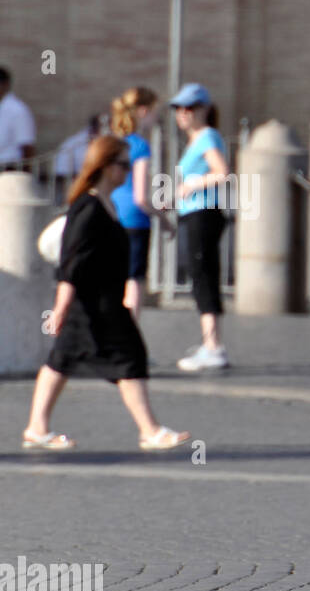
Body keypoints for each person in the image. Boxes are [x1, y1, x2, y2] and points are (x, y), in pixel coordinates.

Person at [21, 136, 190, 451]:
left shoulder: (105, 203)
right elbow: (72, 262)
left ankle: (36, 427)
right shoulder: (88, 206)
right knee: (127, 358)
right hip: (92, 304)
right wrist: (60, 307)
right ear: (106, 166)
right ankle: (149, 430)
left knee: (62, 360)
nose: (127, 171)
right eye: (123, 165)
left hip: (103, 301)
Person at [170, 83, 231, 371]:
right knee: (199, 274)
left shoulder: (207, 137)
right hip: (194, 212)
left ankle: (213, 345)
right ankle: (210, 342)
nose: (183, 114)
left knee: (203, 275)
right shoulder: (197, 140)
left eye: (189, 108)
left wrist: (194, 184)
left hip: (202, 213)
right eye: (179, 108)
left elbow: (222, 173)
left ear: (203, 110)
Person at [110, 87, 172, 320]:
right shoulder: (140, 146)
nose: (157, 118)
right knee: (134, 281)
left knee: (114, 279)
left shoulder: (113, 142)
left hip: (112, 214)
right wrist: (164, 219)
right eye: (156, 112)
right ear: (143, 111)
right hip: (135, 220)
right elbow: (141, 196)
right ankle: (131, 339)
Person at [0, 66, 36, 167]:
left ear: (5, 85)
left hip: (9, 169)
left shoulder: (17, 110)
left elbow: (27, 146)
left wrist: (25, 176)